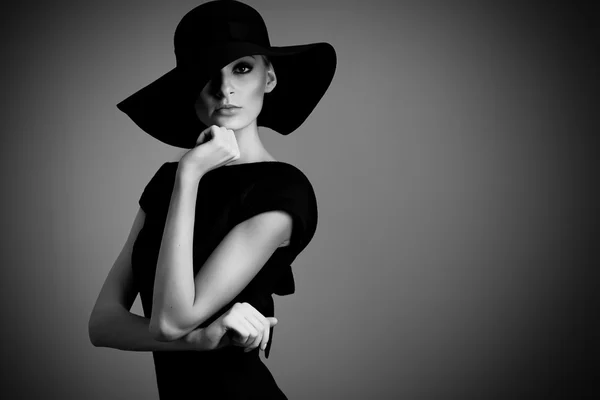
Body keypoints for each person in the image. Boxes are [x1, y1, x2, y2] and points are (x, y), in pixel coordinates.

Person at [88, 1, 336, 398]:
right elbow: (101, 324)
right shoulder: (168, 179)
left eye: (242, 68)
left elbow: (169, 321)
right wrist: (200, 340)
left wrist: (189, 174)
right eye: (207, 75)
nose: (225, 89)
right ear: (190, 90)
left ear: (268, 77)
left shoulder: (283, 191)